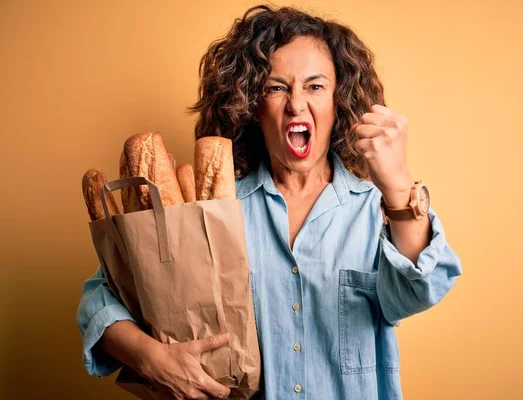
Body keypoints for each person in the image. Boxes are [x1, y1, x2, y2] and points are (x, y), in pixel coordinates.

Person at [77, 4, 463, 400]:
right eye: (276, 88)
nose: (296, 104)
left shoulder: (373, 209)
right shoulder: (214, 210)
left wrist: (399, 187)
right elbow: (99, 301)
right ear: (251, 107)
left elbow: (422, 290)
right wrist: (152, 359)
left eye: (315, 86)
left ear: (339, 102)